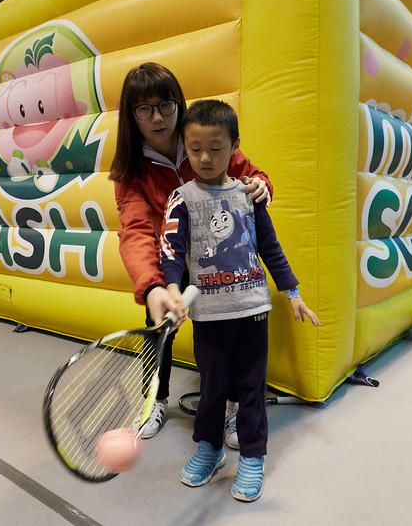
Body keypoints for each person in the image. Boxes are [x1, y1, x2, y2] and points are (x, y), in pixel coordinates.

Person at [159, 99, 319, 502]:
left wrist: (293, 292)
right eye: (195, 149)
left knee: (251, 389)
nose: (205, 157)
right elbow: (172, 252)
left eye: (216, 148)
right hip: (209, 317)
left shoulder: (250, 194)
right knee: (212, 389)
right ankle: (210, 449)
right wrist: (172, 289)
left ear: (235, 146)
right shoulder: (181, 198)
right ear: (185, 146)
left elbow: (270, 246)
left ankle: (252, 456)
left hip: (252, 313)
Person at [109, 62, 272, 443]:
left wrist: (262, 185)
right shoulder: (131, 171)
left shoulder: (205, 139)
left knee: (229, 335)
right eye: (144, 109)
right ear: (131, 117)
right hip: (172, 264)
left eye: (165, 105)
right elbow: (134, 230)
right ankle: (154, 400)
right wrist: (153, 287)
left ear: (178, 104)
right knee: (158, 332)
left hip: (223, 261)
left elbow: (252, 174)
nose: (158, 117)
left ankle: (233, 411)